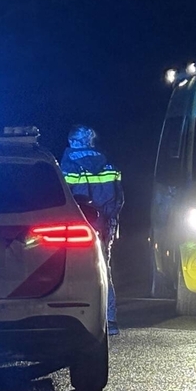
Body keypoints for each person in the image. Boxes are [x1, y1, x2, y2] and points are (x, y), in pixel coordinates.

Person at [60, 124, 124, 336]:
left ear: (72, 141)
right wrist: (109, 219)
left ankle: (74, 320)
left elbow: (62, 199)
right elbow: (119, 198)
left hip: (75, 227)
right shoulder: (109, 164)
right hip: (104, 224)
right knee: (103, 269)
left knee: (70, 272)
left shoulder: (67, 164)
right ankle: (110, 320)